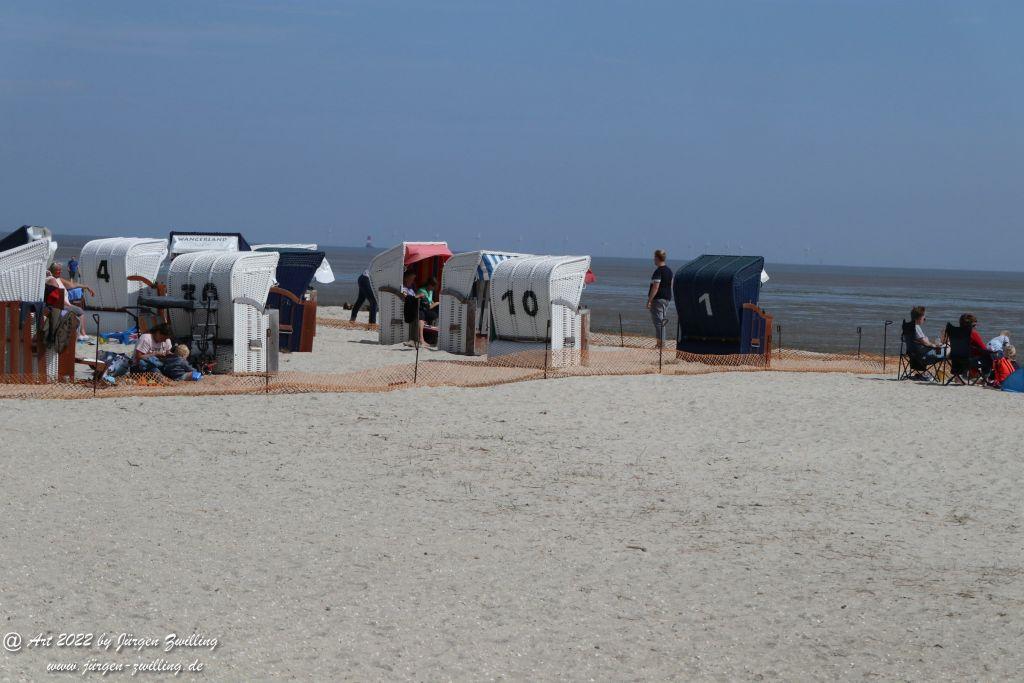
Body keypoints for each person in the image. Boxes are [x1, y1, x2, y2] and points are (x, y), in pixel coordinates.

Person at [46, 262, 95, 342]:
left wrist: (86, 287)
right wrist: (67, 304)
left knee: (77, 311)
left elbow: (72, 285)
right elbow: (56, 296)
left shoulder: (58, 279)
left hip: (63, 305)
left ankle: (81, 334)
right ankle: (82, 333)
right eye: (58, 270)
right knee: (79, 311)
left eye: (60, 270)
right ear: (52, 270)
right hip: (59, 306)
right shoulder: (51, 280)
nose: (60, 271)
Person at [646, 250, 673, 348]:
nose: (653, 259)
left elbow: (655, 287)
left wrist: (649, 300)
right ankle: (661, 343)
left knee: (658, 322)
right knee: (662, 322)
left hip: (658, 299)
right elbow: (671, 284)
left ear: (657, 258)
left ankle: (660, 344)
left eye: (654, 257)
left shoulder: (658, 271)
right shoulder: (669, 271)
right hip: (667, 298)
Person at [908, 306, 947, 370]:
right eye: (924, 317)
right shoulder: (916, 327)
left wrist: (926, 341)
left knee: (942, 345)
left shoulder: (908, 326)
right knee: (948, 348)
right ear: (920, 317)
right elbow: (926, 343)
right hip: (923, 356)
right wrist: (934, 346)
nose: (924, 319)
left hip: (912, 355)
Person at [961, 313, 993, 378]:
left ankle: (969, 374)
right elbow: (983, 348)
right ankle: (985, 378)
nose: (976, 327)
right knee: (990, 357)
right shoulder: (973, 334)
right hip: (970, 360)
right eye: (974, 325)